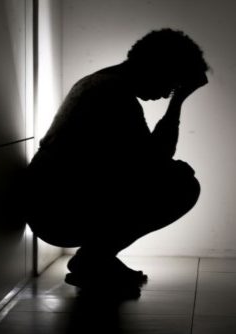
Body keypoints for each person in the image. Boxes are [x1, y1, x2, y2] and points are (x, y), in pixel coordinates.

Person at [24, 29, 209, 295]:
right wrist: (178, 102)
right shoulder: (113, 94)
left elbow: (143, 161)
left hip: (50, 203)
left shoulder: (100, 83)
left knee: (171, 177)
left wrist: (161, 165)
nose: (166, 93)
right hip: (57, 211)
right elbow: (154, 161)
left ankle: (97, 258)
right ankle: (94, 260)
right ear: (157, 68)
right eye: (171, 84)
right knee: (182, 186)